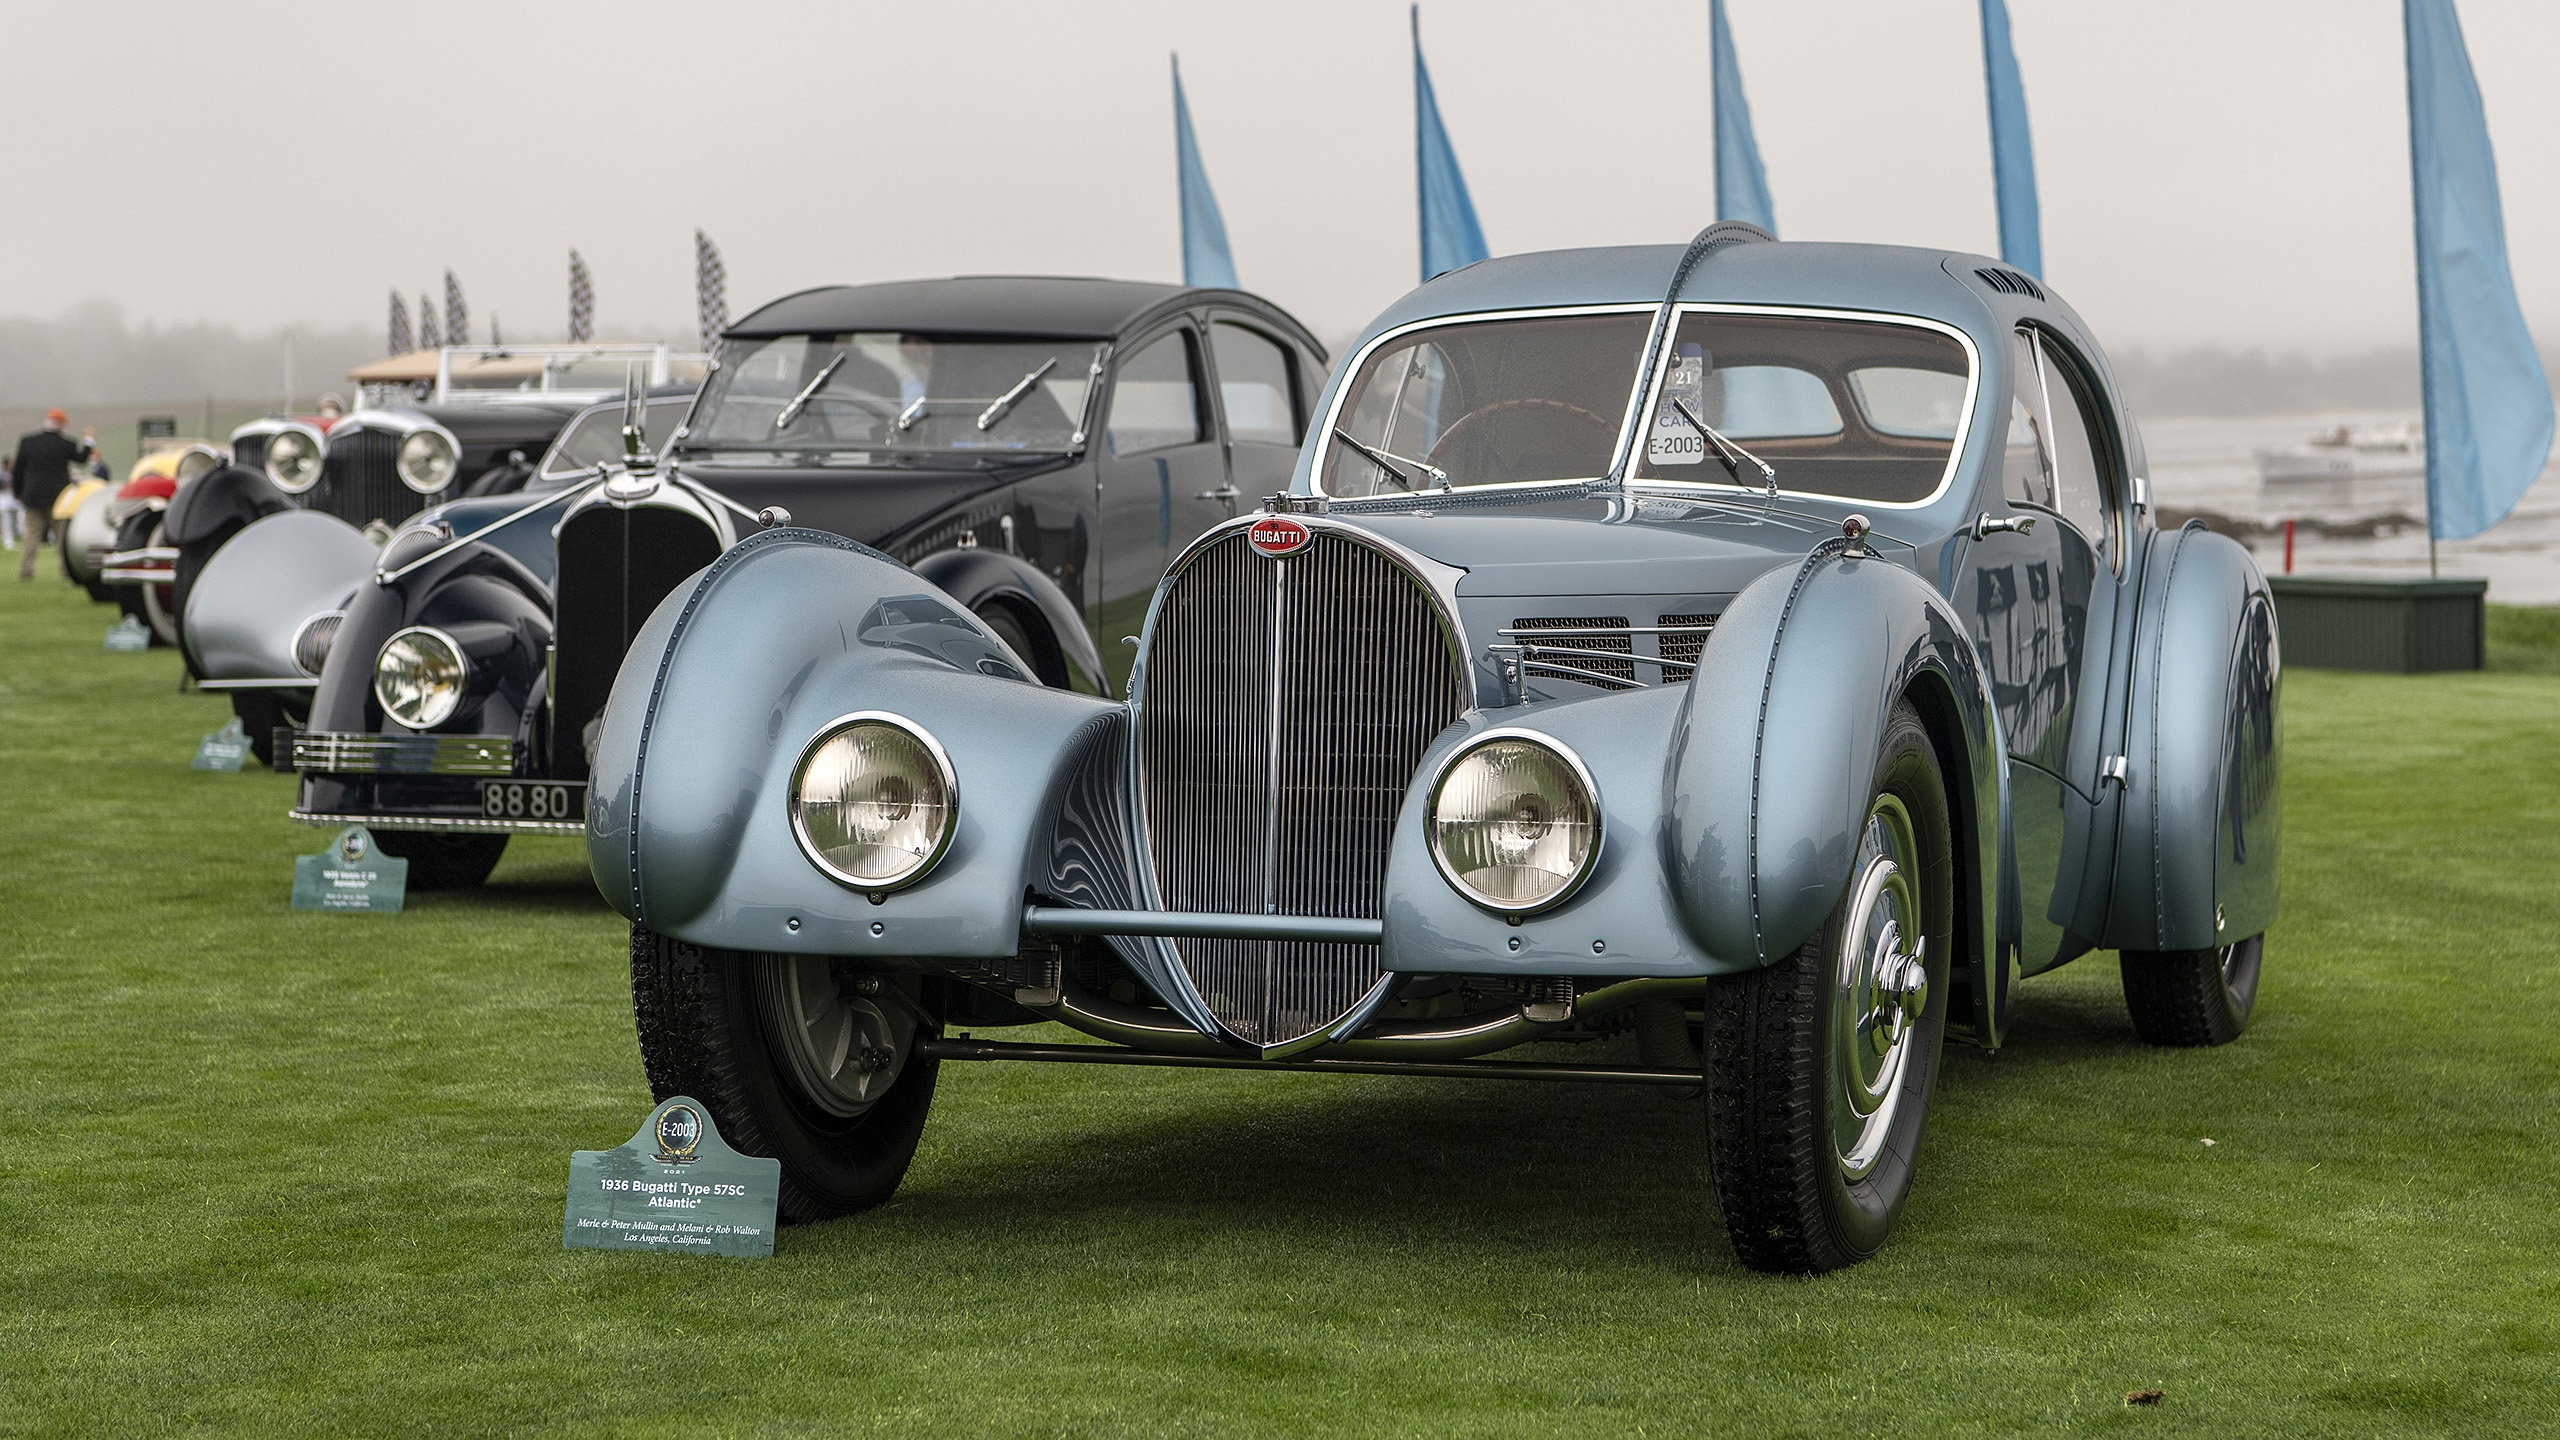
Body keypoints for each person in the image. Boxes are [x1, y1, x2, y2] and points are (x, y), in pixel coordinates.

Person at [14, 409, 97, 579]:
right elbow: (82, 459)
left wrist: (18, 492)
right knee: (61, 538)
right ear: (61, 425)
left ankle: (26, 571)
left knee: (31, 535)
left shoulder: (28, 442)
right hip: (59, 499)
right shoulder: (67, 443)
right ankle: (65, 571)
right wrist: (89, 440)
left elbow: (18, 470)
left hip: (32, 496)